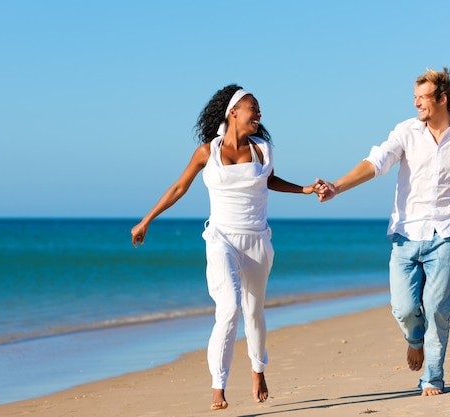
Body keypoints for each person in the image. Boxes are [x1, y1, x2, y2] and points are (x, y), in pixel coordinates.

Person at [316, 68, 450, 396]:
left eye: (422, 98)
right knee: (402, 308)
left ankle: (432, 377)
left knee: (437, 310)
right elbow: (377, 162)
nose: (415, 103)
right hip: (405, 234)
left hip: (446, 236)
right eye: (414, 97)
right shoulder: (406, 131)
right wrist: (337, 187)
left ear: (441, 99)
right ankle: (415, 339)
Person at [131, 84, 322, 410]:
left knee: (254, 312)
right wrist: (146, 220)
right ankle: (218, 386)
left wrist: (304, 189)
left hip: (258, 241)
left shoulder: (262, 149)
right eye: (253, 108)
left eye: (259, 110)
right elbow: (179, 187)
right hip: (222, 239)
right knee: (230, 306)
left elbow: (269, 180)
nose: (259, 114)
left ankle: (257, 369)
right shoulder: (208, 152)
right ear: (233, 112)